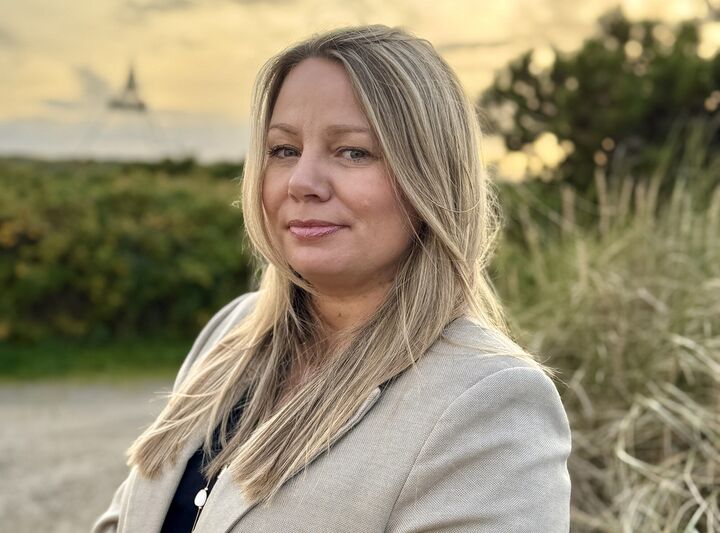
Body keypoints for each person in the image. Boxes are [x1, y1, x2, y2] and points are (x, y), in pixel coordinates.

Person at [92, 24, 571, 533]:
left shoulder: (489, 402)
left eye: (352, 152)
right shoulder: (232, 330)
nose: (302, 182)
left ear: (431, 178)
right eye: (284, 150)